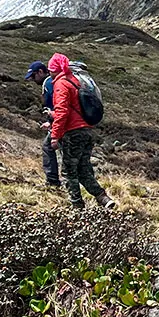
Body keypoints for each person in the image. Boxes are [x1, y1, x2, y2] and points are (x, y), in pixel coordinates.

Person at [49, 53, 113, 208]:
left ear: (54, 70)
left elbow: (62, 112)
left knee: (69, 172)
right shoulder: (75, 80)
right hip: (87, 131)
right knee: (83, 168)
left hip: (73, 133)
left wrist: (55, 136)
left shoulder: (61, 84)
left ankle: (77, 208)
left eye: (51, 69)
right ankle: (103, 198)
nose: (49, 72)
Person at [26, 61, 61, 188]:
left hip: (61, 123)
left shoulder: (48, 83)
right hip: (62, 121)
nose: (33, 81)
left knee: (48, 147)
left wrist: (53, 123)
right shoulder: (54, 81)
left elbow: (55, 106)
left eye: (34, 77)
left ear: (40, 72)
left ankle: (53, 182)